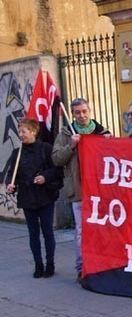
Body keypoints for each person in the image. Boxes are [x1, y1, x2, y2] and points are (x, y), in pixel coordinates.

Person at [52, 97, 111, 280]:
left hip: (100, 191)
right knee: (80, 233)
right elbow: (56, 159)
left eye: (84, 111)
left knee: (102, 230)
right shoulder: (65, 133)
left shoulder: (102, 132)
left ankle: (102, 266)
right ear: (72, 114)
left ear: (90, 111)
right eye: (77, 112)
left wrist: (109, 143)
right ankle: (82, 268)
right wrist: (71, 146)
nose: (81, 115)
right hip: (78, 190)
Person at [6, 119, 62, 278]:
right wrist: (11, 185)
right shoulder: (17, 153)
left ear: (33, 132)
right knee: (33, 233)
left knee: (47, 232)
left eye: (23, 131)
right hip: (27, 198)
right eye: (20, 131)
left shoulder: (46, 149)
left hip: (45, 197)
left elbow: (57, 170)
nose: (20, 134)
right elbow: (12, 175)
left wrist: (45, 176)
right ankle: (38, 265)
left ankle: (50, 263)